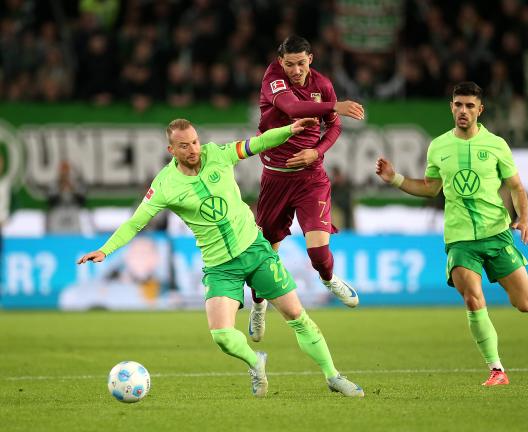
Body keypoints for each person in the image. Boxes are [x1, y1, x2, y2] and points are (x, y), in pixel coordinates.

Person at [77, 118, 364, 398]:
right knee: (222, 336)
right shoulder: (164, 185)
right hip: (219, 267)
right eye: (184, 146)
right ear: (171, 151)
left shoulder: (218, 154)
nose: (193, 149)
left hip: (255, 251)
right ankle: (256, 362)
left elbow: (259, 143)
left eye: (195, 142)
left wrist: (290, 130)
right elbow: (135, 223)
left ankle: (333, 376)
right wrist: (105, 250)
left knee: (297, 316)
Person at [376, 81, 528, 386]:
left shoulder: (497, 145)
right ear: (451, 107)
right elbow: (430, 188)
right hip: (460, 239)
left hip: (497, 233)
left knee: (526, 303)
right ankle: (497, 369)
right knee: (473, 299)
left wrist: (523, 219)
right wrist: (394, 178)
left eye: (469, 106)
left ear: (480, 109)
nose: (463, 111)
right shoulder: (438, 146)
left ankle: (510, 297)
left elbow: (516, 187)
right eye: (458, 105)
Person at [249, 35, 365, 343]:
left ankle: (329, 279)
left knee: (317, 251)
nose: (296, 70)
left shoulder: (322, 84)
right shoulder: (273, 77)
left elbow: (334, 125)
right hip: (275, 178)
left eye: (301, 63)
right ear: (281, 62)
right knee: (266, 254)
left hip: (311, 178)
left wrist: (318, 152)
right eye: (290, 64)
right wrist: (336, 105)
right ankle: (259, 305)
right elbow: (292, 106)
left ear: (310, 59)